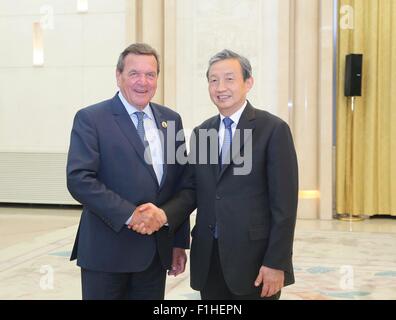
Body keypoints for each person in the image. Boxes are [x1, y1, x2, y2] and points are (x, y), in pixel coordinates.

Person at [132, 49, 298, 300]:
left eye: (230, 79)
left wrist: (277, 262)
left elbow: (285, 206)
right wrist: (164, 215)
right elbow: (192, 191)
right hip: (209, 260)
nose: (221, 87)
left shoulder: (272, 130)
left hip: (255, 262)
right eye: (213, 80)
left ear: (248, 82)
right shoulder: (202, 133)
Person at [66, 43, 190, 300]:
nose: (142, 82)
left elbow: (180, 184)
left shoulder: (171, 120)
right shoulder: (92, 118)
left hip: (155, 256)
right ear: (118, 75)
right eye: (134, 73)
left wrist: (178, 241)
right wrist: (131, 215)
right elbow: (80, 179)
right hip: (107, 254)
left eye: (150, 74)